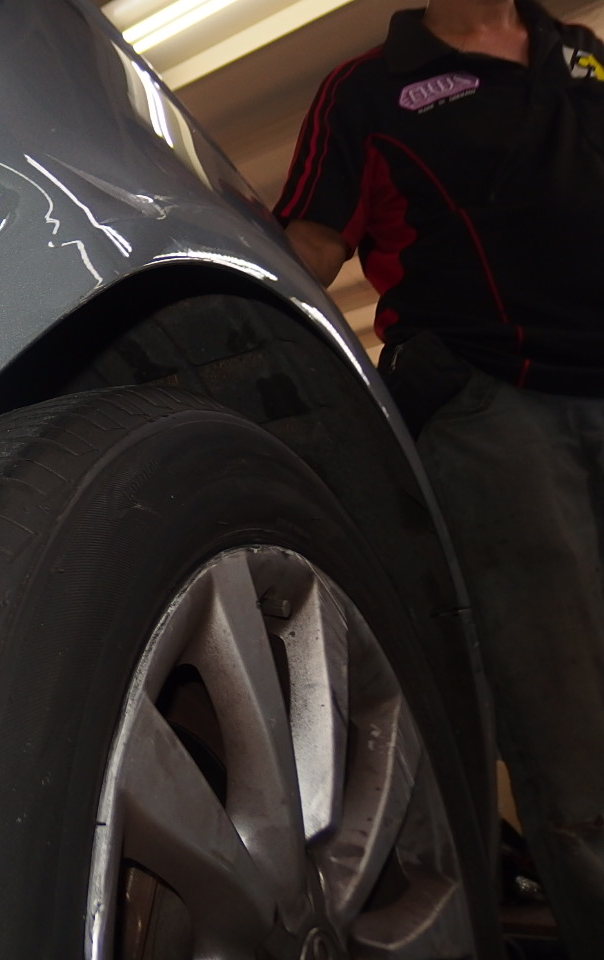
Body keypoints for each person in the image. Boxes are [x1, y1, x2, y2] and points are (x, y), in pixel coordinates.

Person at [274, 0, 604, 954]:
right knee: (570, 725)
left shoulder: (582, 58)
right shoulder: (370, 89)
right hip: (495, 409)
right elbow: (311, 244)